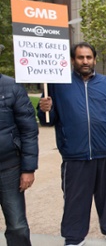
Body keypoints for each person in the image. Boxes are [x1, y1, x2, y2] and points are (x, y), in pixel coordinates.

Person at [38, 42, 106, 246]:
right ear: (73, 60)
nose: (85, 61)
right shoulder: (57, 83)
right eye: (81, 57)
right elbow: (48, 120)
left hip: (104, 149)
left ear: (94, 59)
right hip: (75, 152)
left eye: (89, 57)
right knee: (75, 198)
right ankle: (74, 237)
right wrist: (44, 108)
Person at [0, 73, 38, 246]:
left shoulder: (13, 87)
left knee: (17, 225)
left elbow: (29, 130)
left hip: (9, 167)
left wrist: (28, 169)